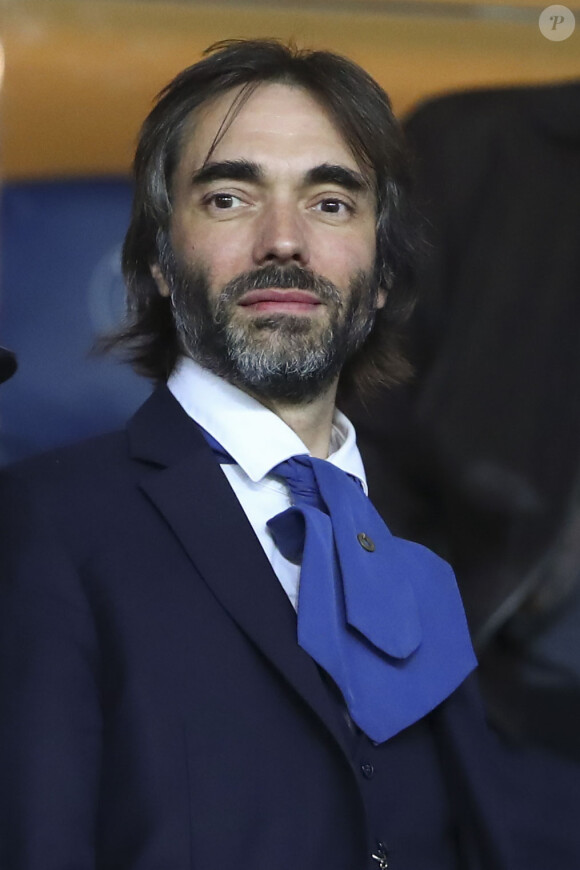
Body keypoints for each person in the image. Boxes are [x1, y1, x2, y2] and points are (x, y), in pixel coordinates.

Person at [0, 40, 516, 870]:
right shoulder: (42, 524)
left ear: (382, 274)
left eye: (332, 204)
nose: (285, 240)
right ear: (160, 261)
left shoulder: (432, 559)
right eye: (231, 198)